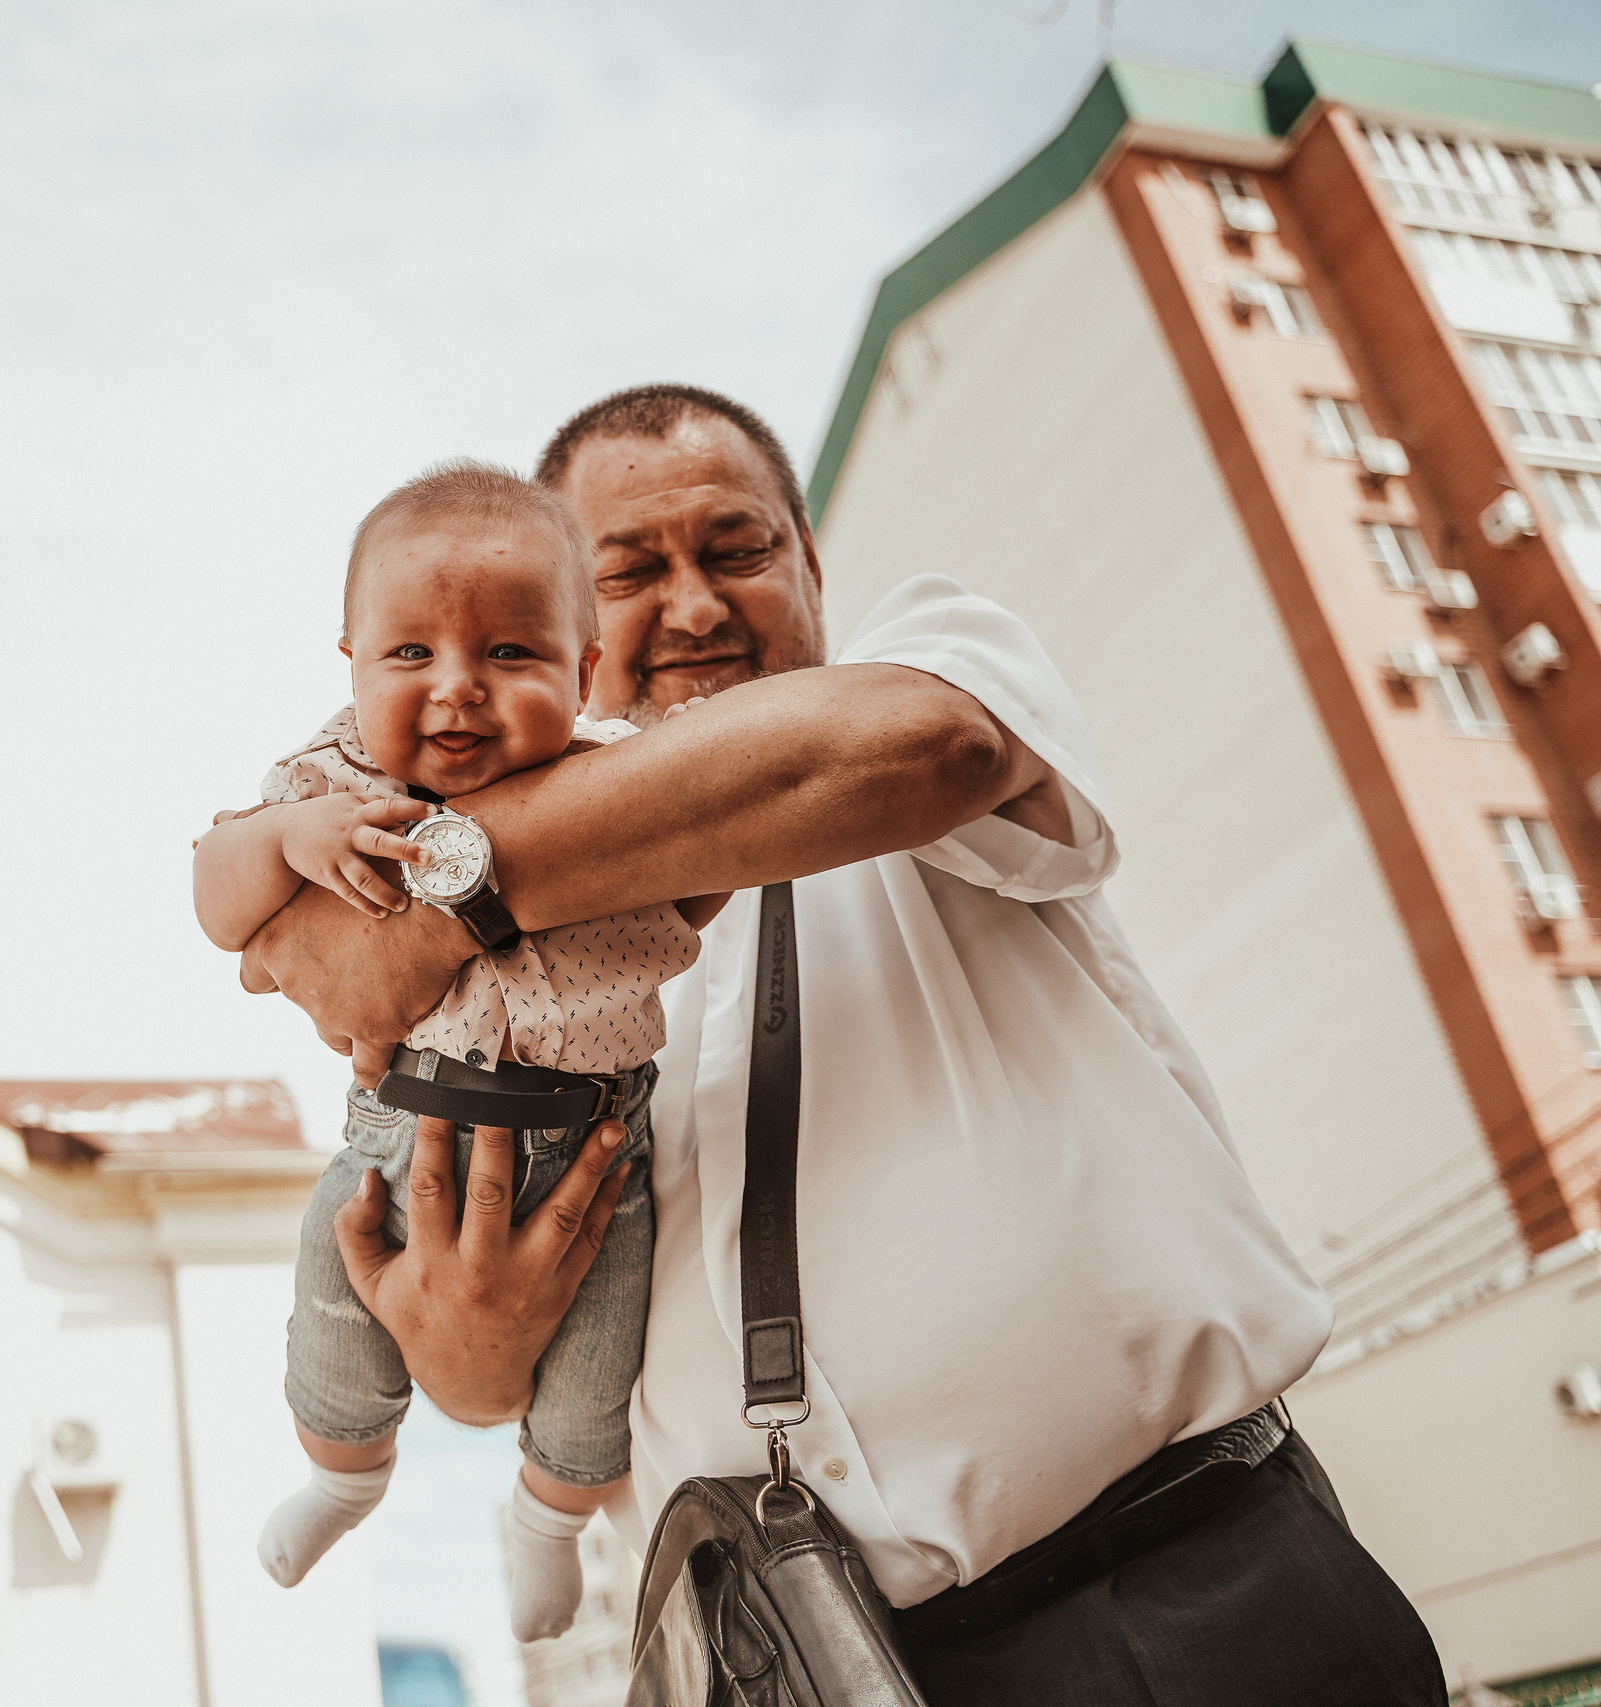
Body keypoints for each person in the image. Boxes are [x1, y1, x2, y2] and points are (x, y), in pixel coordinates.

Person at [237, 385, 1443, 1705]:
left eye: (736, 549)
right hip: (788, 1662)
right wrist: (472, 1359)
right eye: (630, 573)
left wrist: (440, 900)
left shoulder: (930, 668)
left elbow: (933, 741)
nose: (695, 606)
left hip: (1179, 1596)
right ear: (567, 631)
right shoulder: (529, 985)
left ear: (812, 567)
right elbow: (497, 1359)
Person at [194, 460, 725, 1640]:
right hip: (399, 1128)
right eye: (410, 655)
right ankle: (343, 1478)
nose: (457, 691)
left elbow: (703, 876)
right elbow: (215, 900)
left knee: (597, 1378)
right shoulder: (330, 785)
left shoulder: (616, 778)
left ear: (583, 670)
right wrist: (287, 839)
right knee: (333, 1305)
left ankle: (549, 1526)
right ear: (349, 660)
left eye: (509, 655)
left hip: (599, 1142)